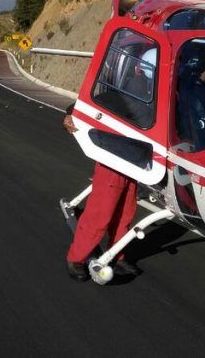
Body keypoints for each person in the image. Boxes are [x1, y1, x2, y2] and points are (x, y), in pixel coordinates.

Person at [62, 104, 141, 281]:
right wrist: (71, 113)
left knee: (125, 213)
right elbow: (101, 96)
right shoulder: (127, 79)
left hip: (136, 154)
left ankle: (117, 255)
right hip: (112, 152)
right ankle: (76, 257)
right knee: (100, 212)